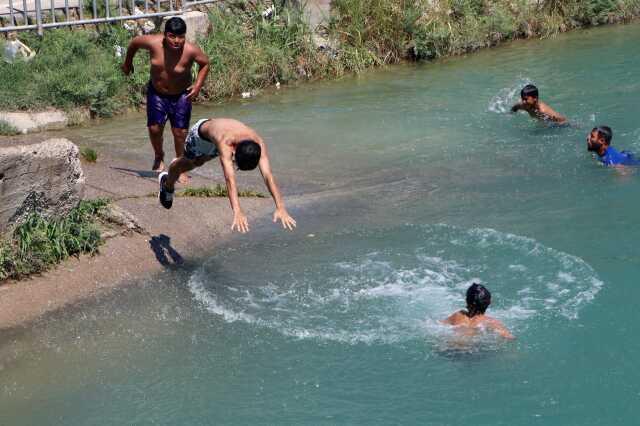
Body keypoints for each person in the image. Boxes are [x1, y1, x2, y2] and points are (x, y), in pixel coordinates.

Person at [158, 118, 297, 233]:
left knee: (200, 162)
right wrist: (237, 211)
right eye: (235, 162)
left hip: (216, 141)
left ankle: (171, 177)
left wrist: (280, 206)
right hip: (200, 137)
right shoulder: (226, 142)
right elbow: (229, 179)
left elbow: (268, 175)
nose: (234, 164)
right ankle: (167, 184)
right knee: (190, 164)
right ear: (234, 152)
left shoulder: (258, 143)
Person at [121, 17, 210, 183]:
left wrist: (197, 86)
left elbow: (205, 63)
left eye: (181, 37)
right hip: (157, 93)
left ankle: (180, 164)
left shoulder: (191, 50)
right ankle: (158, 155)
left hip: (182, 95)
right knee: (155, 128)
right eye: (172, 36)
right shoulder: (153, 43)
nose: (177, 41)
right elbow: (134, 43)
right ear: (165, 35)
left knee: (180, 132)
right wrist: (127, 63)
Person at [442, 283, 514, 340]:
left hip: (450, 347)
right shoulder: (490, 321)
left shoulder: (458, 315)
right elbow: (509, 337)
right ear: (489, 302)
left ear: (467, 301)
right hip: (472, 352)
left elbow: (439, 325)